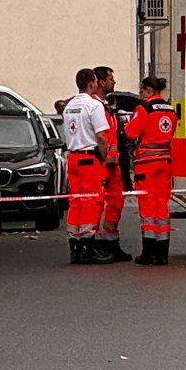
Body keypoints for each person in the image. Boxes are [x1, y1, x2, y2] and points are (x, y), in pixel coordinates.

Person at [60, 68, 118, 264]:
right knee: (91, 202)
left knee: (75, 202)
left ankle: (74, 245)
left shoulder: (69, 107)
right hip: (89, 158)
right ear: (92, 84)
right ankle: (87, 244)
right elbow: (101, 136)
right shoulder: (93, 106)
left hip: (73, 158)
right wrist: (104, 158)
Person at [125, 76, 178, 264]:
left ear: (148, 90)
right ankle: (163, 253)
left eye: (141, 90)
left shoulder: (144, 109)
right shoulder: (170, 110)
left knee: (147, 207)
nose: (140, 94)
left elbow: (131, 132)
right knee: (162, 206)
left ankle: (149, 252)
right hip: (165, 161)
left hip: (147, 163)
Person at [93, 65, 132, 261]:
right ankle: (94, 243)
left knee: (116, 202)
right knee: (97, 203)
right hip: (100, 162)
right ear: (99, 82)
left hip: (113, 163)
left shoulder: (107, 106)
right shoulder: (92, 105)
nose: (113, 82)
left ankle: (111, 240)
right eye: (110, 79)